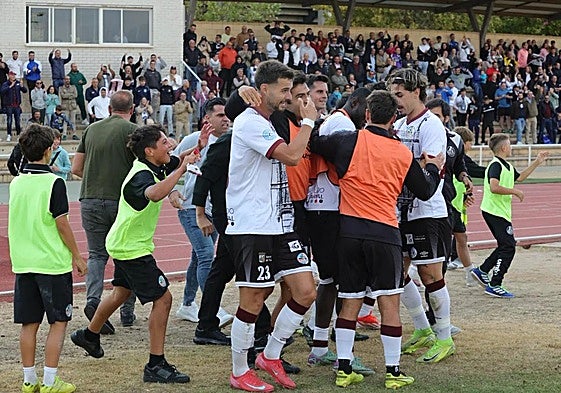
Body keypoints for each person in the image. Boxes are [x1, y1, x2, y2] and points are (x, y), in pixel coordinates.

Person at [310, 89, 444, 389]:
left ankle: (344, 367)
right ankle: (393, 372)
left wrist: (313, 120)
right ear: (394, 118)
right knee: (389, 303)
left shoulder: (348, 140)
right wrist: (434, 165)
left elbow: (314, 143)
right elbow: (425, 190)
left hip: (349, 232)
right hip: (385, 232)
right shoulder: (401, 152)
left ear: (367, 114)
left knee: (350, 301)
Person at [70, 125, 200, 384]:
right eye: (164, 142)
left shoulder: (153, 163)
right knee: (163, 299)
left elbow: (179, 159)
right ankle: (156, 364)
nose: (169, 145)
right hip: (132, 249)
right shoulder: (140, 175)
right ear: (150, 151)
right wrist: (182, 170)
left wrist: (199, 145)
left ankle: (89, 335)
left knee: (121, 292)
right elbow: (154, 194)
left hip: (123, 243)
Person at [227, 60, 317, 392]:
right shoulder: (250, 122)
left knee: (306, 291)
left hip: (280, 223)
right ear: (263, 90)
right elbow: (293, 156)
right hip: (253, 225)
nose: (288, 97)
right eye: (283, 90)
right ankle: (239, 371)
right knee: (254, 298)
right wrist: (309, 122)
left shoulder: (269, 118)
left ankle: (271, 355)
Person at [8, 124, 87, 393]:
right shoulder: (54, 182)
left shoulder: (17, 182)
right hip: (51, 262)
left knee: (29, 323)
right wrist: (77, 255)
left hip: (24, 260)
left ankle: (29, 380)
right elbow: (62, 223)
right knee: (58, 322)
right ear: (49, 149)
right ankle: (51, 381)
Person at [387, 68, 455, 364]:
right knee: (398, 273)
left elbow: (430, 170)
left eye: (399, 95)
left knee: (430, 275)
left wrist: (405, 163)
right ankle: (424, 330)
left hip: (426, 211)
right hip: (399, 210)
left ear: (417, 91)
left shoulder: (432, 125)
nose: (395, 101)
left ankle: (445, 337)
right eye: (392, 95)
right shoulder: (399, 124)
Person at [71, 90, 138, 331]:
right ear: (132, 109)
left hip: (89, 198)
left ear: (109, 109)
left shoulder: (91, 129)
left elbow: (76, 167)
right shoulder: (132, 130)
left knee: (97, 254)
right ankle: (126, 310)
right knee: (127, 253)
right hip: (120, 201)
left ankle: (92, 300)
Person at [171, 98, 233, 326]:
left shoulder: (232, 140)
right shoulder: (192, 139)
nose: (226, 119)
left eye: (227, 115)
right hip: (191, 208)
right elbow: (170, 165)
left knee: (198, 257)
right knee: (207, 256)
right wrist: (172, 193)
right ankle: (213, 308)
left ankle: (187, 304)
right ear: (207, 119)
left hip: (217, 209)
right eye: (220, 115)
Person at [471, 134, 549, 298]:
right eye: (509, 145)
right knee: (508, 247)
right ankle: (495, 283)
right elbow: (494, 187)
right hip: (494, 211)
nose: (511, 148)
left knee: (505, 244)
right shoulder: (495, 166)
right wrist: (515, 191)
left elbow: (520, 177)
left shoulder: (506, 166)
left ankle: (483, 270)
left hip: (500, 211)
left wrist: (537, 162)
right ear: (504, 148)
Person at [0, 70, 27, 142]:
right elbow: (2, 91)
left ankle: (18, 134)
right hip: (9, 105)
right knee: (9, 120)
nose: (13, 76)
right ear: (9, 76)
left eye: (14, 75)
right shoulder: (6, 83)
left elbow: (25, 91)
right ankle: (9, 134)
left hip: (17, 105)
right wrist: (10, 87)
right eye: (12, 75)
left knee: (17, 121)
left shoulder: (18, 83)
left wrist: (22, 86)